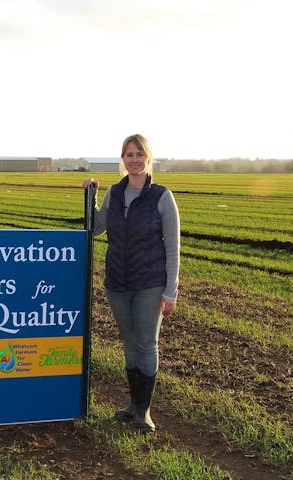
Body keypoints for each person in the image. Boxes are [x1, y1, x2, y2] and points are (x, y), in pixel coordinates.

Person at [82, 134, 180, 433]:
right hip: (117, 282)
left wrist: (171, 290)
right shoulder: (115, 192)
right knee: (128, 343)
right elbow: (96, 229)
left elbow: (173, 247)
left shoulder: (162, 196)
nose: (134, 159)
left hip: (150, 281)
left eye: (139, 154)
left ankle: (144, 412)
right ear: (122, 160)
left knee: (146, 343)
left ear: (147, 158)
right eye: (128, 154)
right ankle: (132, 405)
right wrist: (91, 196)